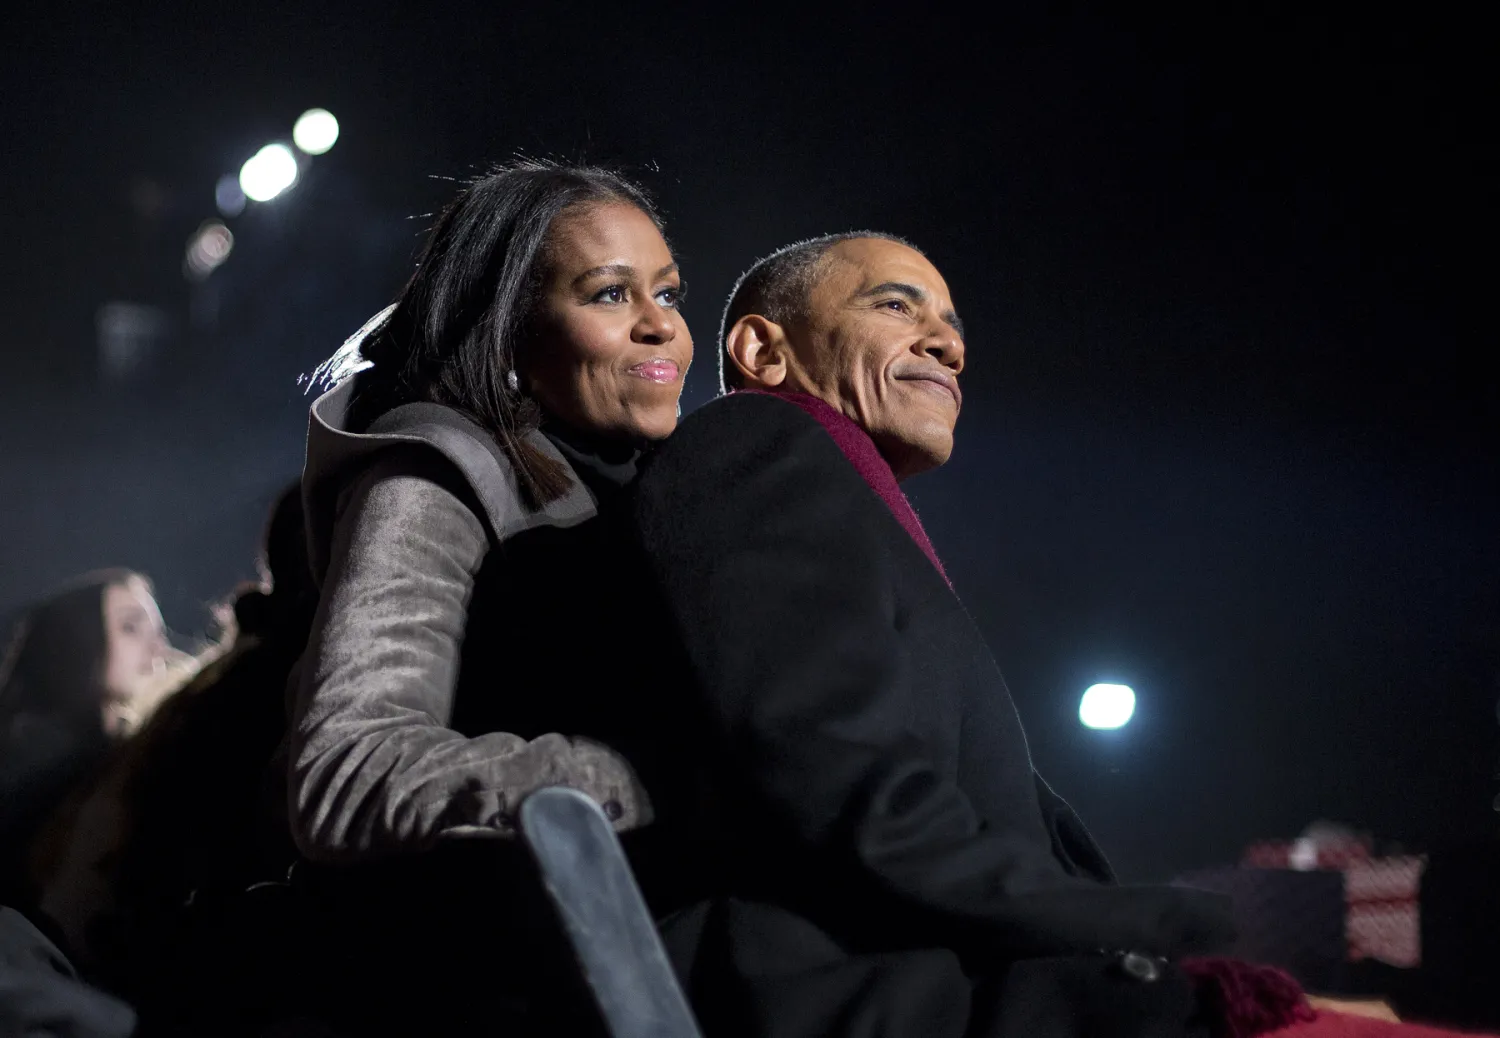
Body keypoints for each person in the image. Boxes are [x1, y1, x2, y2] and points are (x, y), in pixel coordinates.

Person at [622, 233, 1482, 1038]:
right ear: (764, 353)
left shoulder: (853, 508)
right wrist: (1173, 927)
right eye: (896, 308)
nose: (947, 346)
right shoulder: (760, 442)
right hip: (865, 996)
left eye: (951, 327)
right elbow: (840, 786)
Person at [284, 158, 692, 1033]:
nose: (661, 326)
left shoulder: (666, 489)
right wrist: (642, 784)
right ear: (512, 331)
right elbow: (350, 773)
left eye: (669, 292)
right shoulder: (430, 481)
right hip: (480, 987)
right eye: (611, 295)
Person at [0, 569, 178, 910]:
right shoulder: (35, 760)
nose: (159, 649)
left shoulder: (130, 754)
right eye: (130, 627)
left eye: (160, 633)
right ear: (78, 641)